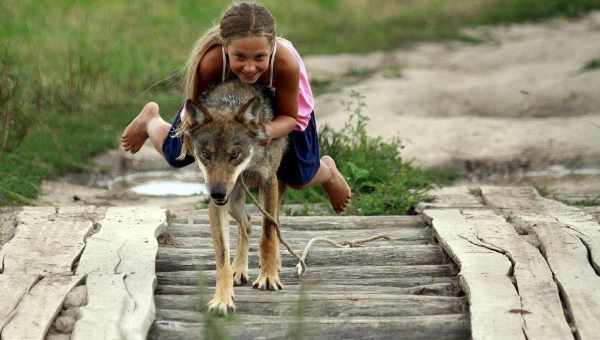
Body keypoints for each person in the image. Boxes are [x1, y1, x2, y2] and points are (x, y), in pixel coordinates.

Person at [121, 2, 351, 213]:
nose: (250, 67)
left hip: (283, 109)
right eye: (239, 57)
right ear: (226, 47)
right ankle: (150, 120)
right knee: (175, 156)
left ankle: (328, 171)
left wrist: (265, 132)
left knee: (298, 176)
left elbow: (290, 117)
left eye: (259, 57)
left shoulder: (285, 63)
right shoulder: (211, 62)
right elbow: (199, 110)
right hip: (226, 106)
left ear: (272, 46)